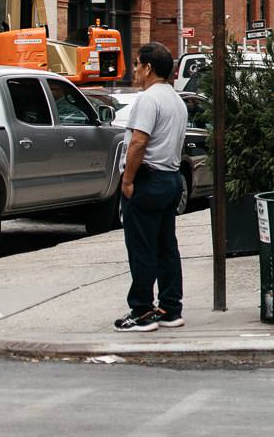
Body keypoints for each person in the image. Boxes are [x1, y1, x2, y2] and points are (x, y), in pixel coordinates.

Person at [114, 41, 188, 332]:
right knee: (166, 246)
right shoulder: (176, 100)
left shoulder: (148, 100)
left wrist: (128, 180)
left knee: (142, 247)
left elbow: (138, 142)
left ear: (148, 68)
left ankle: (142, 311)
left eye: (136, 64)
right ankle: (171, 308)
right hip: (170, 179)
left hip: (148, 179)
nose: (134, 69)